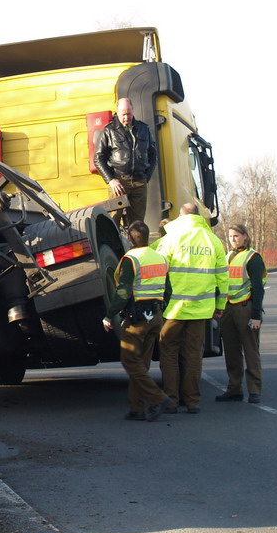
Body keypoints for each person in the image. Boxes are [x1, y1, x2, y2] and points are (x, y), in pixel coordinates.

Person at [155, 203, 228, 414]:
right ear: (198, 216)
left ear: (180, 216)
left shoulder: (170, 239)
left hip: (173, 310)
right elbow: (223, 277)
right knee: (193, 355)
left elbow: (159, 272)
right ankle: (193, 401)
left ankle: (171, 400)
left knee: (168, 353)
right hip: (201, 309)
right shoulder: (213, 240)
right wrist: (220, 305)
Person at [103, 221, 174, 422]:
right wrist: (161, 308)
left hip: (137, 318)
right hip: (156, 316)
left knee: (129, 361)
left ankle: (158, 399)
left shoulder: (131, 259)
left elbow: (123, 291)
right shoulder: (160, 258)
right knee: (141, 364)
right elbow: (168, 289)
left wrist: (110, 315)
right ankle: (137, 408)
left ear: (131, 238)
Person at [215, 223, 267, 404]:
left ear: (245, 236)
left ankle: (254, 390)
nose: (233, 239)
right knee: (231, 351)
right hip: (228, 307)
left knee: (250, 350)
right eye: (230, 236)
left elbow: (258, 288)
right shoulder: (228, 256)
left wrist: (256, 315)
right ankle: (234, 389)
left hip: (245, 308)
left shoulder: (253, 258)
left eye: (236, 236)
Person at [94, 98, 158, 227]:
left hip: (140, 182)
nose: (126, 117)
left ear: (133, 110)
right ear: (117, 112)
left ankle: (137, 246)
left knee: (138, 224)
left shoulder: (144, 129)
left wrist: (146, 177)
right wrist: (111, 180)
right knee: (114, 221)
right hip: (119, 181)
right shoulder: (109, 131)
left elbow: (153, 155)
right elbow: (98, 158)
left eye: (129, 113)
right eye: (123, 114)